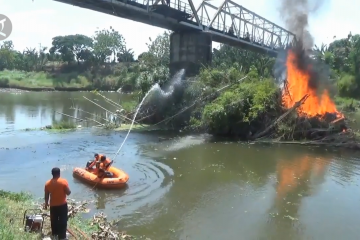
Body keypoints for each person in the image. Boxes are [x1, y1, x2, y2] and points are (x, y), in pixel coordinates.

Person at [44, 167, 71, 240]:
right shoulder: (63, 181)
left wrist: (46, 204)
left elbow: (46, 195)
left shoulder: (47, 183)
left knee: (54, 220)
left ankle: (55, 234)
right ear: (59, 173)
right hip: (62, 205)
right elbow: (68, 193)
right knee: (63, 220)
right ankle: (62, 236)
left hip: (53, 205)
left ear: (52, 174)